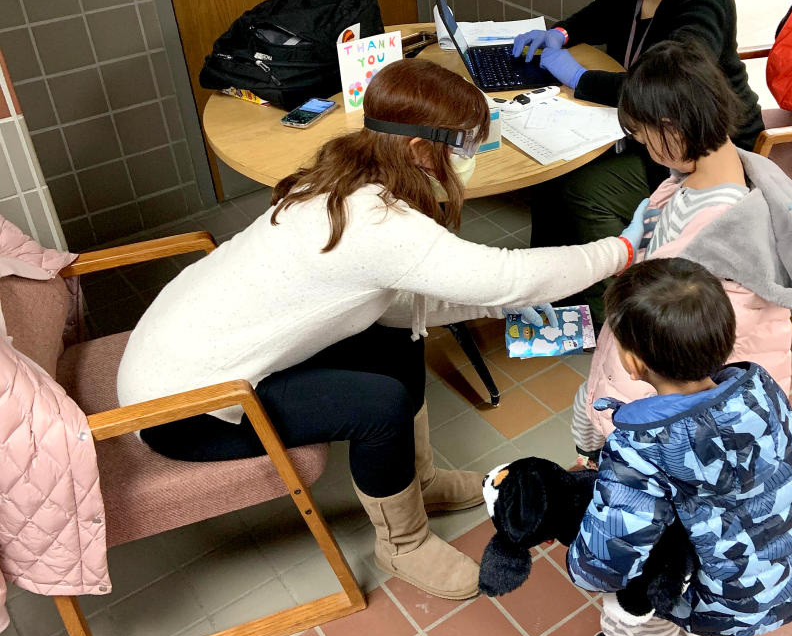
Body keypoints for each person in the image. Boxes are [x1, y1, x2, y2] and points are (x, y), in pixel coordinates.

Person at [116, 58, 650, 602]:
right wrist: (621, 250)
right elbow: (508, 277)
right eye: (461, 146)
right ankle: (402, 541)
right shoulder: (379, 223)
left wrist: (490, 309)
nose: (466, 160)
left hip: (178, 357)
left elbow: (396, 304)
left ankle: (420, 482)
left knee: (399, 336)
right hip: (181, 411)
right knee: (379, 404)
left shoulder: (346, 179)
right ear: (420, 150)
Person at [566, 257, 792, 636]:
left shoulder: (641, 444)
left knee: (645, 635)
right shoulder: (763, 393)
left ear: (634, 361)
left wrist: (584, 571)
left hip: (681, 580)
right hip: (759, 577)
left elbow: (616, 541)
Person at [512, 0, 764, 323]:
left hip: (704, 145)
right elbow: (603, 10)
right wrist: (562, 33)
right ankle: (552, 285)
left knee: (580, 186)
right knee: (551, 171)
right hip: (654, 129)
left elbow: (667, 90)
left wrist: (578, 77)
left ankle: (611, 311)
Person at [571, 39, 792, 466]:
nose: (643, 146)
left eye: (643, 135)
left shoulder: (719, 237)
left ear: (672, 128)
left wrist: (611, 422)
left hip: (651, 409)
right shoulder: (703, 178)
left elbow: (673, 366)